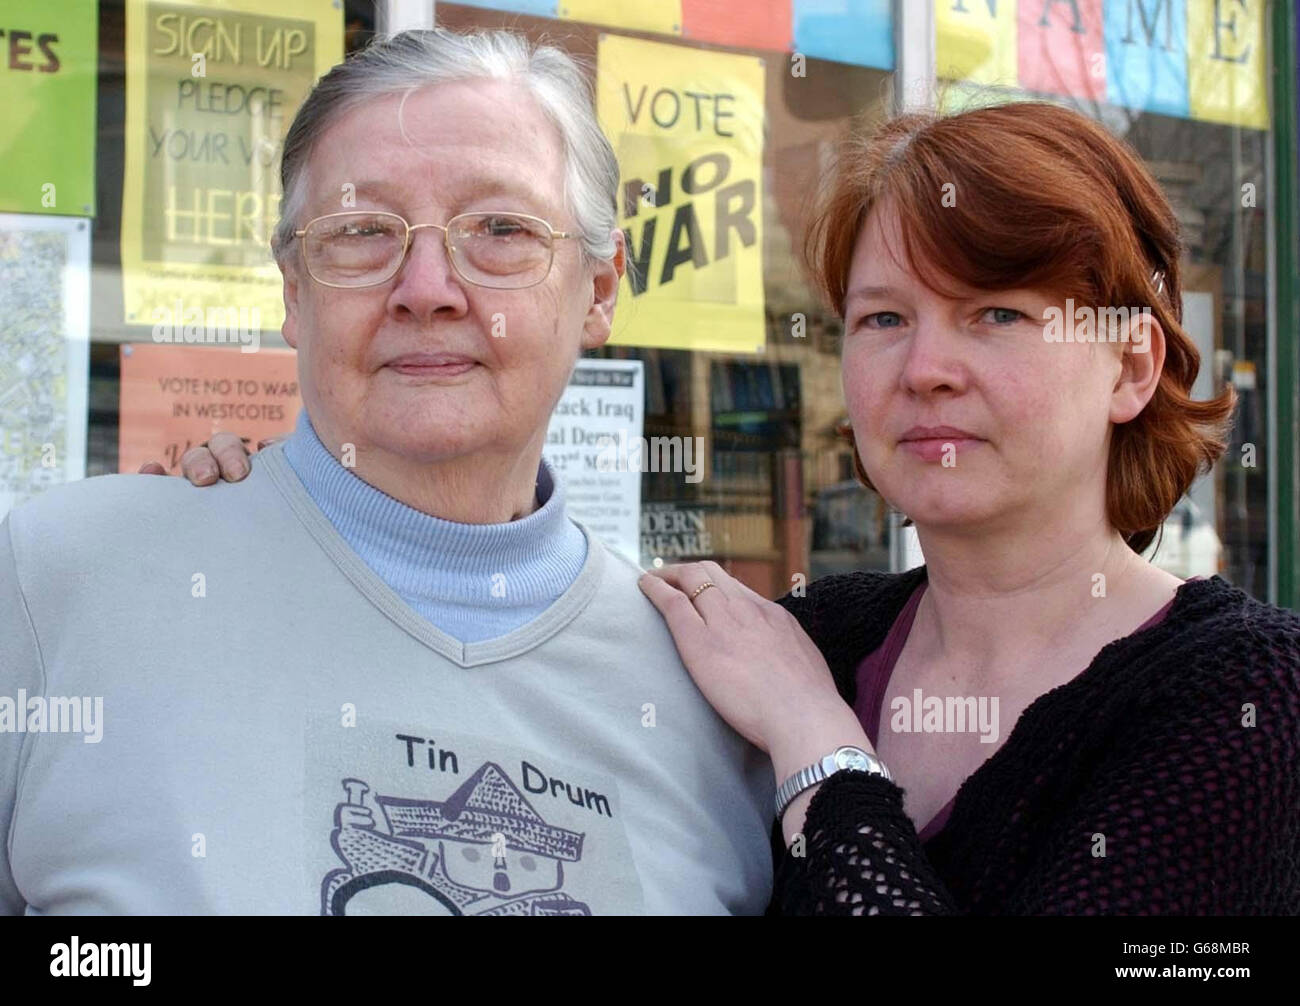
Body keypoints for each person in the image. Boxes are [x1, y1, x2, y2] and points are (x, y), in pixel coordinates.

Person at [0, 29, 775, 917]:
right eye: (363, 232)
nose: (428, 286)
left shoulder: (714, 691)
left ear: (598, 289)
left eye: (501, 231)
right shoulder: (62, 581)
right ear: (295, 292)